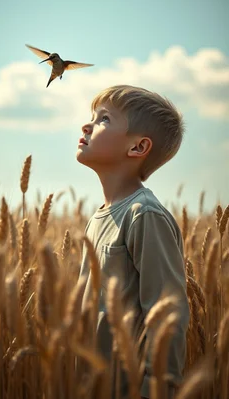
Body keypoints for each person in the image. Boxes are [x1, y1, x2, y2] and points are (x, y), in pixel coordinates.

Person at [76, 85, 190, 399]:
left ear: (138, 147)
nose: (87, 125)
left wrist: (154, 389)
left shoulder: (144, 215)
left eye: (104, 120)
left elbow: (167, 316)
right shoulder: (99, 215)